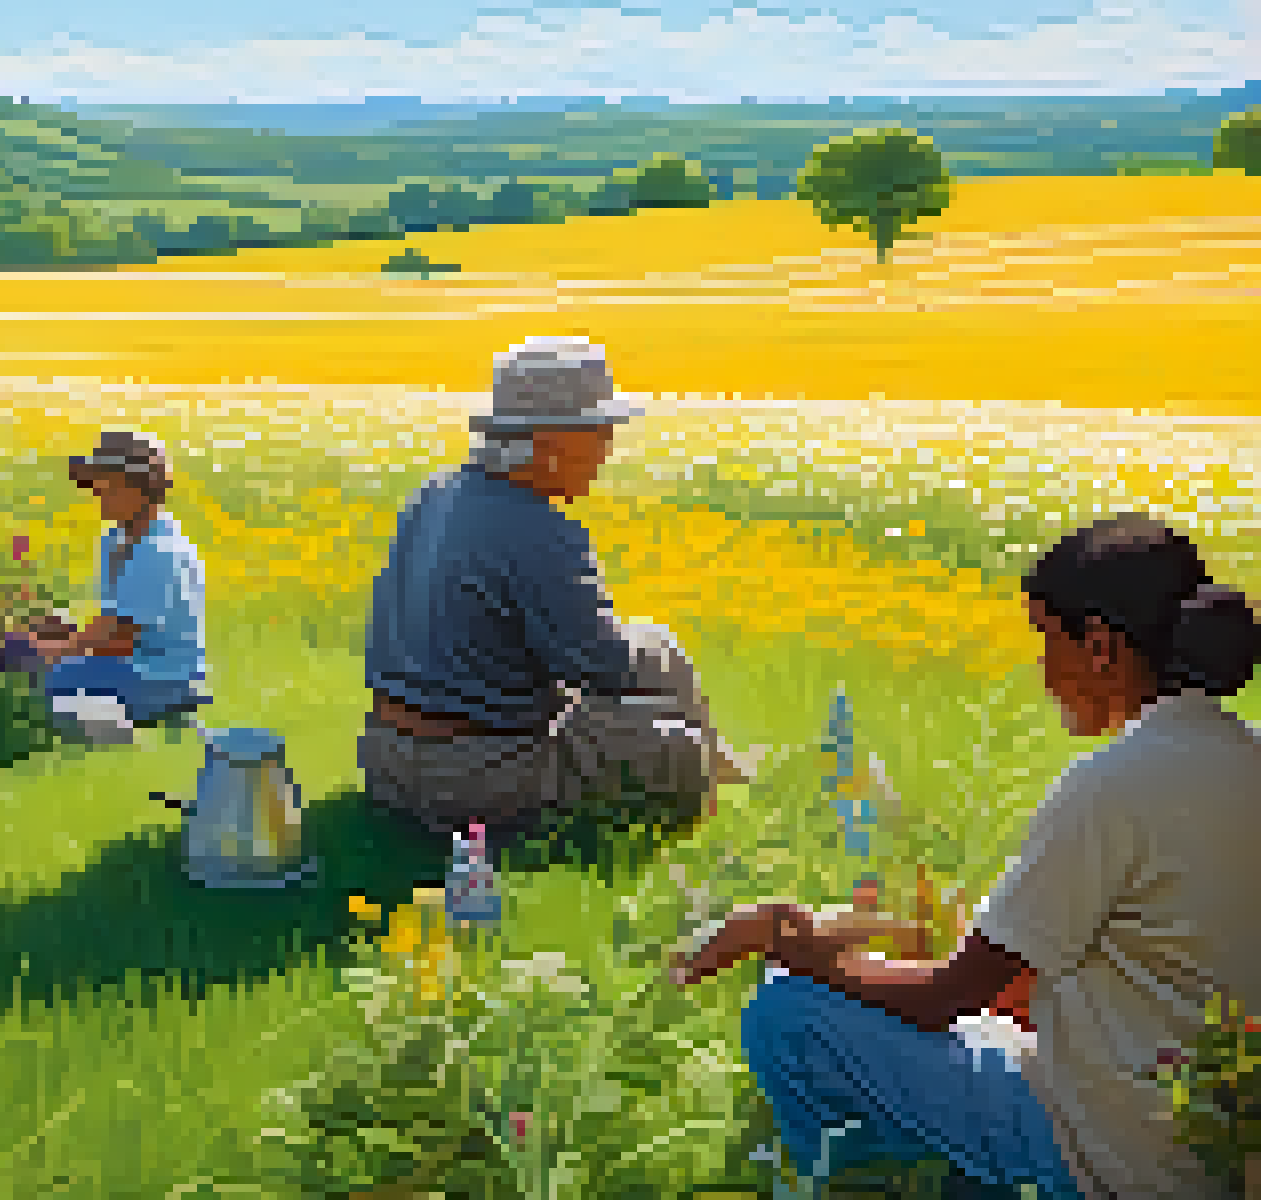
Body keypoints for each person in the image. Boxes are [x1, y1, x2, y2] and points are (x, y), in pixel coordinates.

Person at [675, 514, 1261, 1198]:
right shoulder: (1245, 757)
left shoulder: (1111, 786)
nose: (1044, 671)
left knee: (788, 1014)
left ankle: (857, 1186)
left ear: (1100, 646)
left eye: (1048, 640)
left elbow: (945, 998)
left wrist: (789, 942)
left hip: (1108, 1157)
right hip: (1220, 1157)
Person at [358, 335, 751, 850]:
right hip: (467, 778)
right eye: (598, 429)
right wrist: (649, 709)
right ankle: (703, 779)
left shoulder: (435, 493)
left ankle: (717, 763)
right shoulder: (540, 529)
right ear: (548, 442)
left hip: (385, 758)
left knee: (657, 649)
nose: (609, 443)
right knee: (676, 753)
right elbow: (603, 669)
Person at [0, 430, 213, 732]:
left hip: (163, 680)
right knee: (20, 660)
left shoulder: (159, 550)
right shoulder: (116, 540)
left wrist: (52, 650)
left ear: (135, 487)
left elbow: (120, 639)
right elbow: (115, 628)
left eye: (103, 483)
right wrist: (62, 634)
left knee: (29, 683)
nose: (94, 492)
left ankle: (108, 726)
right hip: (132, 667)